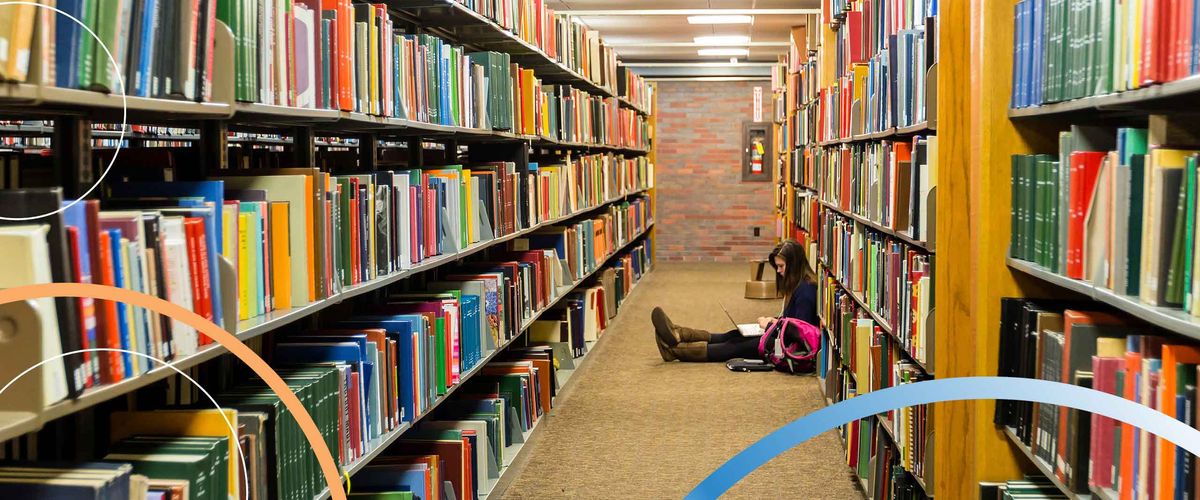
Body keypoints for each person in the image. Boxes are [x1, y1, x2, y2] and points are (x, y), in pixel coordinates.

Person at [651, 239, 818, 362]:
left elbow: (799, 334)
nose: (779, 271)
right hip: (778, 335)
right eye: (777, 267)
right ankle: (678, 333)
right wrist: (773, 321)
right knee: (733, 335)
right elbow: (791, 321)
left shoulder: (805, 291)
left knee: (734, 346)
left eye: (782, 266)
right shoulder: (797, 284)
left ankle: (673, 351)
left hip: (784, 347)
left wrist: (770, 324)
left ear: (794, 265)